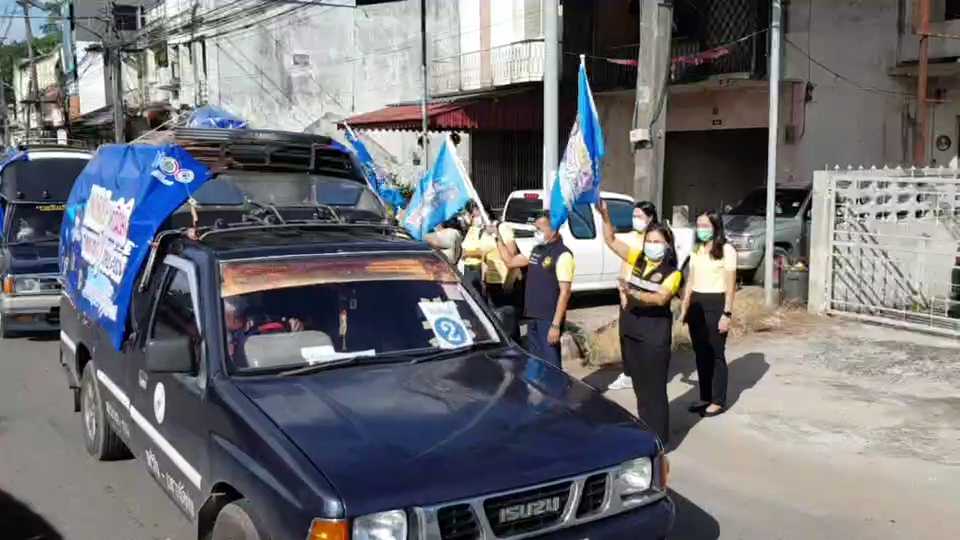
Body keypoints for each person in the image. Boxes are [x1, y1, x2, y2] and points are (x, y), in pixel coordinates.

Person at [600, 209, 680, 443]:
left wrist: (632, 293)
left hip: (653, 336)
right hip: (632, 330)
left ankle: (659, 439)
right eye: (649, 241)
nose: (652, 246)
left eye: (658, 242)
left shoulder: (672, 273)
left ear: (667, 245)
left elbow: (660, 299)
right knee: (640, 387)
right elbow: (611, 240)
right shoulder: (637, 258)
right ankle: (646, 429)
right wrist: (605, 216)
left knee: (654, 389)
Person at [496, 210, 574, 368]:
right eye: (535, 229)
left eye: (540, 229)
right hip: (532, 316)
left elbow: (565, 292)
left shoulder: (563, 255)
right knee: (536, 364)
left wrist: (556, 325)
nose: (537, 233)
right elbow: (510, 262)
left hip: (548, 319)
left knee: (552, 366)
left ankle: (556, 385)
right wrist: (497, 238)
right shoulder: (536, 249)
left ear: (554, 228)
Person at [680, 210, 737, 418]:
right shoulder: (697, 249)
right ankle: (705, 396)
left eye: (705, 225)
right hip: (697, 303)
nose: (701, 229)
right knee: (701, 352)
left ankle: (718, 400)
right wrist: (685, 306)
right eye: (699, 225)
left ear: (715, 227)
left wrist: (727, 313)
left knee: (715, 353)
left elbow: (730, 286)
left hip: (716, 303)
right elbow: (691, 280)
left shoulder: (727, 250)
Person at [600, 200, 660, 392]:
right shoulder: (632, 237)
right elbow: (610, 239)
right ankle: (629, 374)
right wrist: (604, 215)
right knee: (626, 337)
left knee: (644, 339)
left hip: (645, 297)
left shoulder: (655, 241)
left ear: (650, 218)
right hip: (626, 296)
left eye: (639, 216)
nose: (635, 219)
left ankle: (646, 374)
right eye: (633, 215)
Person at [224, 298, 304, 367]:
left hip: (294, 358)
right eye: (226, 315)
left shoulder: (256, 314)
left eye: (235, 313)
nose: (233, 310)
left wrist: (293, 323)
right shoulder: (232, 344)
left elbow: (287, 322)